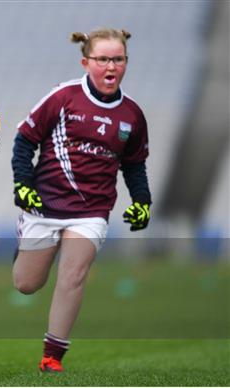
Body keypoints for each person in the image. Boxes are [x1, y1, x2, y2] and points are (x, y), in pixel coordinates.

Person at [11, 28, 151, 373]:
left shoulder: (132, 114)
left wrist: (142, 201)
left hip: (91, 211)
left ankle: (51, 357)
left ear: (125, 63)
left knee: (72, 275)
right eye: (103, 59)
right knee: (26, 284)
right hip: (44, 205)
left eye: (118, 59)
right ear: (86, 62)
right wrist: (22, 185)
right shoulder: (63, 97)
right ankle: (28, 245)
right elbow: (24, 141)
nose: (111, 66)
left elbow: (134, 165)